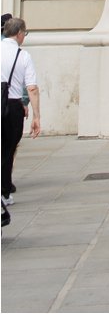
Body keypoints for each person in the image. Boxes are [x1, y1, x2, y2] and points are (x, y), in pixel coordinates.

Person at [1, 18, 40, 227]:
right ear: (19, 33)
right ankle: (4, 191)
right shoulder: (23, 55)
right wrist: (36, 116)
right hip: (14, 106)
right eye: (25, 33)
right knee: (7, 150)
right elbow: (31, 87)